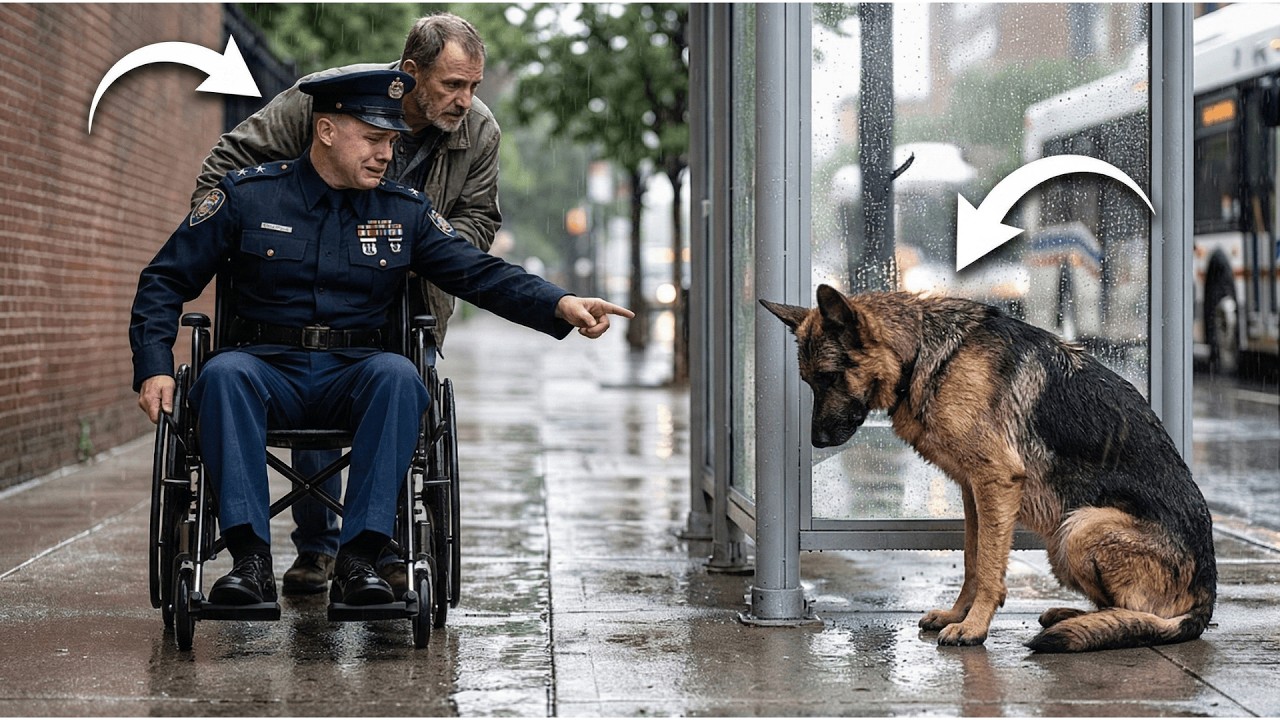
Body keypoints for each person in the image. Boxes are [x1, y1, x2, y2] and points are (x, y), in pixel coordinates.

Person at [132, 69, 633, 607]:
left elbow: (479, 273)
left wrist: (560, 303)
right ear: (325, 131)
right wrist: (154, 364)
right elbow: (166, 277)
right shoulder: (248, 197)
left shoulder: (404, 213)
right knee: (221, 374)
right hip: (263, 367)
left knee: (400, 375)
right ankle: (250, 563)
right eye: (372, 139)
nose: (386, 154)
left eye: (391, 141)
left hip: (356, 371)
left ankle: (360, 561)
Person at [193, 13, 498, 596]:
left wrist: (418, 247)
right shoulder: (321, 99)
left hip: (409, 293)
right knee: (309, 372)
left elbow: (480, 219)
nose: (466, 100)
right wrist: (274, 240)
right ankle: (317, 547)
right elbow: (222, 171)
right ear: (411, 73)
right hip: (303, 291)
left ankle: (379, 550)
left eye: (474, 87)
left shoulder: (478, 132)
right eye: (453, 85)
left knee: (402, 386)